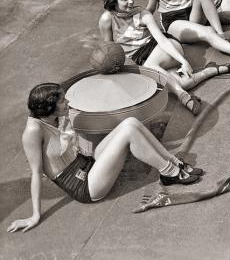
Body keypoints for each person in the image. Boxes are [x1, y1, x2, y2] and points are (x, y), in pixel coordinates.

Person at [7, 83, 202, 232]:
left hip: (87, 164)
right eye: (62, 101)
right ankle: (170, 172)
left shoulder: (53, 118)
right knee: (128, 135)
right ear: (49, 107)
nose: (67, 102)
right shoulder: (32, 131)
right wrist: (34, 215)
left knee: (130, 123)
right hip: (83, 186)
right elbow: (35, 173)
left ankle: (173, 162)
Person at [99, 0, 230, 115]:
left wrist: (183, 61)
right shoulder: (107, 19)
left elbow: (162, 41)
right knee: (181, 83)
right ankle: (211, 70)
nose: (131, 2)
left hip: (166, 48)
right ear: (114, 1)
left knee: (153, 69)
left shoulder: (143, 15)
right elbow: (110, 48)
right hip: (142, 59)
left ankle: (183, 96)